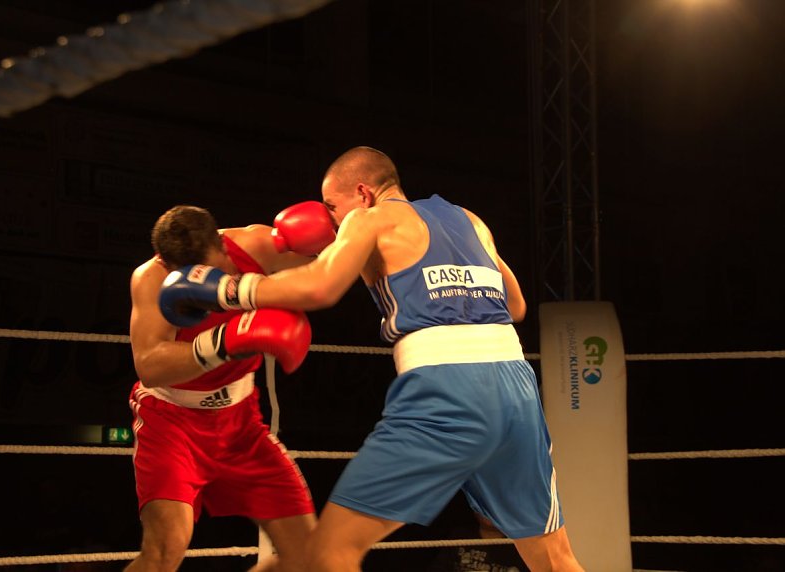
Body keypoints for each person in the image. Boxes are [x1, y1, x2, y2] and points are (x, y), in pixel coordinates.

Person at [159, 147, 585, 572]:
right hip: (516, 389)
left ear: (362, 193)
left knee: (328, 553)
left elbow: (319, 287)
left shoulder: (369, 218)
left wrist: (224, 290)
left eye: (331, 206)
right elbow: (515, 305)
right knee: (553, 557)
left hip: (445, 390)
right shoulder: (470, 219)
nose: (330, 220)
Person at [127, 202, 335, 572]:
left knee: (307, 556)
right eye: (187, 276)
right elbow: (149, 365)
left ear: (221, 245)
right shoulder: (151, 279)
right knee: (164, 550)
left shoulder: (256, 245)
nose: (200, 285)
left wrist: (327, 242)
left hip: (241, 424)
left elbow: (327, 273)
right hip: (172, 424)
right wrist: (226, 341)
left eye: (209, 270)